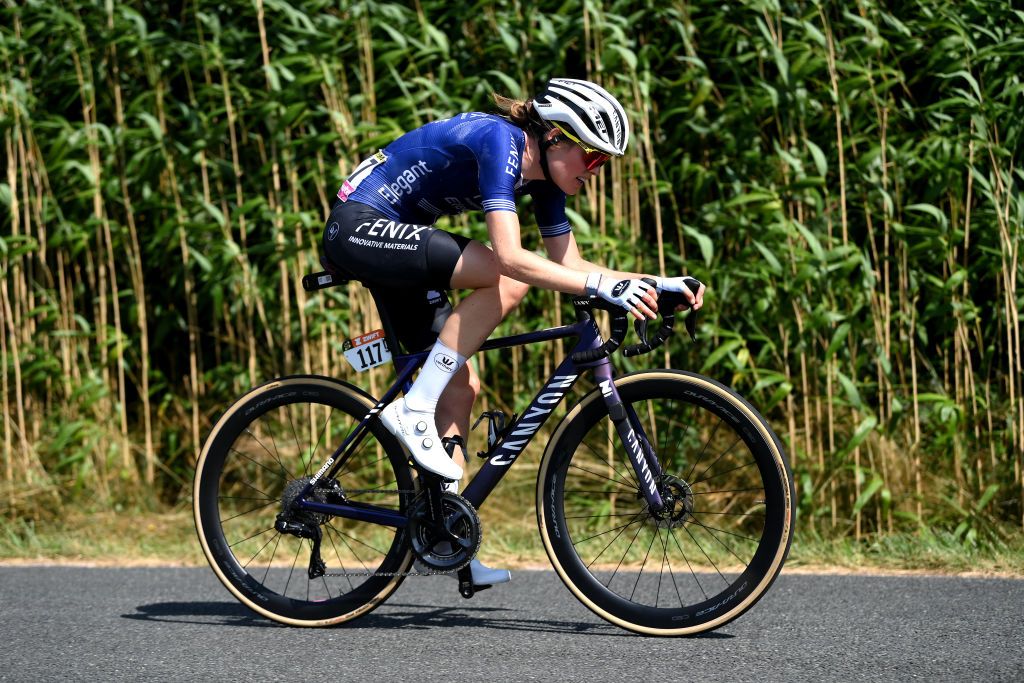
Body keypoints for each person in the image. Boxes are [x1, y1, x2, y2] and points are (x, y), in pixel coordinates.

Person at [322, 77, 705, 587]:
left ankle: (444, 534)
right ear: (554, 137)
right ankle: (412, 408)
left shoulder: (543, 177)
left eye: (604, 164)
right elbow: (510, 260)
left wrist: (651, 283)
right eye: (591, 158)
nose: (596, 172)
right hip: (360, 225)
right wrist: (604, 287)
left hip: (404, 238)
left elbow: (567, 263)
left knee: (462, 388)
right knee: (503, 276)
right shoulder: (500, 142)